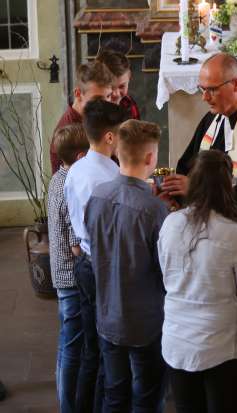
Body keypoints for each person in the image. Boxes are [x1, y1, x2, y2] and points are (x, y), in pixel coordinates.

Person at [158, 149, 237, 413]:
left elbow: (165, 276)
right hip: (223, 344)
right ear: (228, 186)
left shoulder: (170, 224)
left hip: (177, 340)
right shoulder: (236, 234)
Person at [162, 53, 237, 259]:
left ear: (236, 85)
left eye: (211, 89)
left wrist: (195, 190)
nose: (204, 97)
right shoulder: (212, 120)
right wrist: (173, 195)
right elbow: (186, 167)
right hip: (203, 233)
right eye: (202, 89)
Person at [84, 119, 168, 411]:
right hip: (146, 320)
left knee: (114, 393)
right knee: (147, 396)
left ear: (118, 153)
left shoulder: (96, 197)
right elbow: (166, 269)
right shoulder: (156, 209)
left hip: (108, 313)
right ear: (150, 158)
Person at [64, 99, 129, 412]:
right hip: (103, 267)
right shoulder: (105, 178)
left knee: (93, 350)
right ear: (109, 137)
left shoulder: (77, 169)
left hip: (85, 262)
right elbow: (111, 229)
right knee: (107, 352)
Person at [47, 124, 89, 413]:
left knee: (67, 342)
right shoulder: (71, 184)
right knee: (73, 344)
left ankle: (66, 399)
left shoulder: (56, 179)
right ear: (81, 154)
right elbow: (76, 244)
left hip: (58, 271)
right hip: (72, 275)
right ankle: (68, 406)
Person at [50, 62, 114, 174]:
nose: (105, 105)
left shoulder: (95, 117)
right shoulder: (68, 133)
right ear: (78, 93)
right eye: (97, 99)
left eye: (108, 96)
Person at [95, 48, 140, 120]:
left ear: (129, 77)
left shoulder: (128, 103)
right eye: (110, 87)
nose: (116, 94)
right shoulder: (91, 109)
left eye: (122, 86)